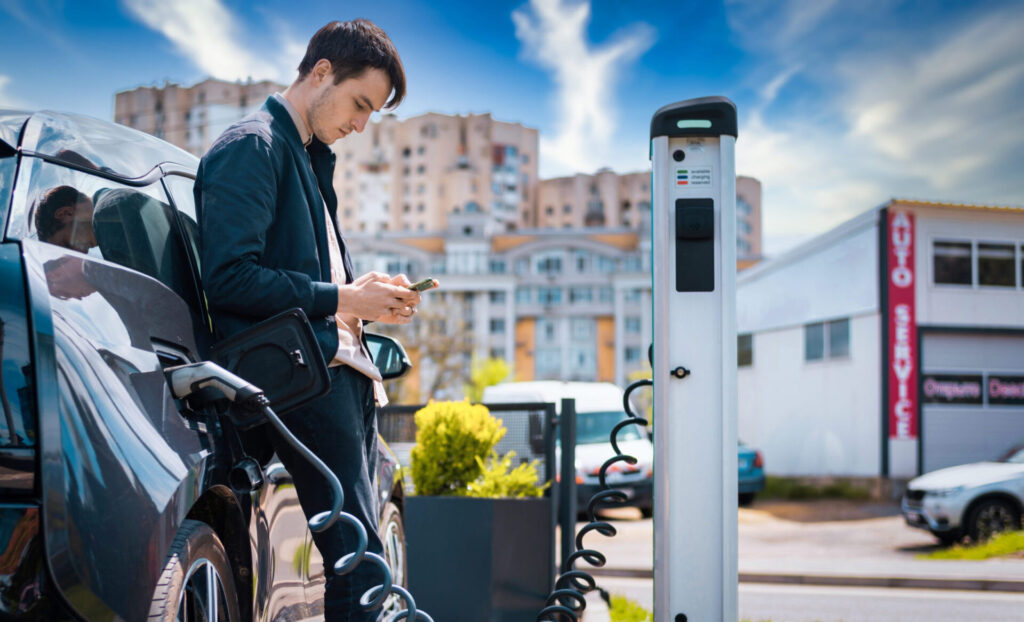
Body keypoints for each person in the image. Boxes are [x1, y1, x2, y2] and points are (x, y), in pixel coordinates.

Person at [193, 20, 420, 621]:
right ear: (321, 73)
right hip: (297, 379)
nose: (360, 124)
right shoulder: (253, 147)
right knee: (361, 560)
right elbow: (228, 278)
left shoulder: (307, 157)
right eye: (359, 104)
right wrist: (345, 299)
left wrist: (365, 294)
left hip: (330, 376)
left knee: (363, 556)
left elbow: (307, 275)